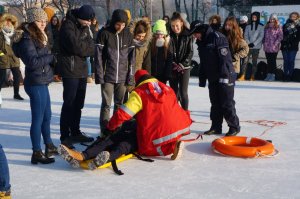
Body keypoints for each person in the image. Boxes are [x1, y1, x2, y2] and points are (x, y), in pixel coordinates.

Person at [59, 70, 192, 169]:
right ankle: (108, 157)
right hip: (172, 132)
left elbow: (122, 114)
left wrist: (109, 128)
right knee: (128, 144)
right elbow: (178, 112)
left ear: (138, 82)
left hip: (151, 135)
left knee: (116, 136)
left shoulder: (140, 93)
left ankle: (84, 155)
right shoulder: (167, 89)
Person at [12, 7, 57, 164]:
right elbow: (32, 62)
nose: (43, 23)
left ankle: (49, 145)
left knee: (47, 115)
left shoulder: (39, 36)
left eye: (45, 21)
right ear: (32, 21)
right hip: (35, 83)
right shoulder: (26, 39)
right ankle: (36, 152)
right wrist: (50, 57)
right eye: (39, 21)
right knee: (38, 118)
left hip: (42, 81)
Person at [190, 21, 240, 136]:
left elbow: (225, 60)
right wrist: (202, 79)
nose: (194, 36)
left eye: (196, 33)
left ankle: (234, 126)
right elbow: (203, 62)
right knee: (215, 103)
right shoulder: (201, 41)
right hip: (213, 77)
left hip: (225, 75)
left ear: (201, 31)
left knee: (226, 103)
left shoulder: (217, 38)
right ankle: (216, 126)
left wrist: (225, 77)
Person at [59, 5, 96, 148]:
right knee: (69, 103)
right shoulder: (68, 25)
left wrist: (84, 47)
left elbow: (92, 47)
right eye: (87, 20)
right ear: (80, 17)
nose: (89, 23)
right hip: (70, 69)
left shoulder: (85, 27)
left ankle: (75, 131)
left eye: (90, 21)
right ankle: (65, 136)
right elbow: (76, 47)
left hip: (81, 70)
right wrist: (84, 47)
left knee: (78, 103)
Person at [94, 9, 135, 132]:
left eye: (123, 25)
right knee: (106, 104)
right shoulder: (104, 33)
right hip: (108, 76)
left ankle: (117, 128)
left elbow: (132, 59)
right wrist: (100, 75)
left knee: (119, 104)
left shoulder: (128, 35)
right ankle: (104, 130)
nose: (120, 27)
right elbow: (98, 57)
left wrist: (130, 76)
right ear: (113, 22)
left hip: (122, 77)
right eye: (118, 24)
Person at [169, 12, 193, 111]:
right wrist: (173, 63)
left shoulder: (188, 34)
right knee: (174, 93)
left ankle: (185, 113)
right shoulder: (169, 35)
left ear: (182, 23)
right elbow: (168, 51)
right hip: (173, 67)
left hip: (185, 67)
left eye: (177, 25)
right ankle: (175, 113)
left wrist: (182, 64)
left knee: (183, 92)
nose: (175, 28)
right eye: (173, 26)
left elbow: (190, 52)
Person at [0, 13, 24, 102]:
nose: (8, 24)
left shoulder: (15, 33)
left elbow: (19, 44)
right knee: (1, 78)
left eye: (10, 23)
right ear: (3, 23)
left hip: (14, 57)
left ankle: (16, 94)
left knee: (17, 76)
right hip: (4, 58)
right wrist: (1, 55)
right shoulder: (0, 34)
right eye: (6, 23)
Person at [242, 11, 264, 81]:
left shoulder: (261, 26)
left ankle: (253, 76)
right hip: (248, 47)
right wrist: (248, 43)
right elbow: (245, 35)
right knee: (245, 61)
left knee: (254, 62)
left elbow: (261, 36)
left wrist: (254, 43)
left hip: (256, 47)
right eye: (253, 17)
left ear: (258, 17)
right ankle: (242, 75)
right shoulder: (248, 26)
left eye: (255, 17)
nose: (254, 18)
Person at [263, 14, 283, 81]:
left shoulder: (278, 27)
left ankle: (273, 75)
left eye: (273, 19)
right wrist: (264, 43)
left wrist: (275, 44)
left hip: (274, 47)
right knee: (268, 61)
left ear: (276, 20)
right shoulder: (266, 27)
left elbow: (280, 37)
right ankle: (269, 74)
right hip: (267, 47)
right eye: (271, 19)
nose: (272, 20)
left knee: (273, 61)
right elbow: (264, 36)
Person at [281, 12, 300, 81]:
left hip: (293, 46)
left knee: (291, 61)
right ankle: (285, 75)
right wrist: (284, 42)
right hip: (285, 46)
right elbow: (282, 35)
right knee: (286, 61)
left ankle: (290, 75)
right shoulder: (285, 25)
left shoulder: (298, 26)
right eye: (292, 16)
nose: (293, 17)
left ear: (297, 17)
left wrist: (292, 42)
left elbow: (298, 37)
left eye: (295, 16)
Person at [151, 19, 172, 83]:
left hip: (163, 76)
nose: (159, 36)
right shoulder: (151, 44)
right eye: (157, 34)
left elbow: (169, 61)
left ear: (164, 34)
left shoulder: (167, 45)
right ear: (154, 34)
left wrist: (167, 74)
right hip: (152, 75)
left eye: (161, 34)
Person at [46, 15, 61, 82]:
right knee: (52, 62)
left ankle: (57, 75)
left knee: (58, 62)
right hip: (51, 47)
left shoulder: (59, 28)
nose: (54, 21)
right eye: (53, 20)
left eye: (55, 20)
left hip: (58, 47)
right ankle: (53, 75)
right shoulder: (49, 28)